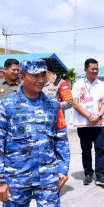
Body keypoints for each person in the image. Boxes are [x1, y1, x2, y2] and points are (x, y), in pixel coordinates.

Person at [0, 59, 70, 206]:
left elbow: (61, 138)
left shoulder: (53, 104)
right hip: (16, 177)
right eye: (35, 75)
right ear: (22, 77)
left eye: (43, 75)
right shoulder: (6, 105)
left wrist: (63, 169)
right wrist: (1, 180)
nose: (40, 80)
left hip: (48, 175)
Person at [72, 58, 104, 186]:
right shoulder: (78, 84)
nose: (95, 71)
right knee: (86, 149)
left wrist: (98, 115)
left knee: (101, 149)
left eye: (96, 69)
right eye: (92, 68)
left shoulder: (102, 84)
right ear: (85, 70)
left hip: (100, 123)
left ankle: (100, 175)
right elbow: (75, 103)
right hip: (84, 124)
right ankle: (88, 173)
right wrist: (89, 116)